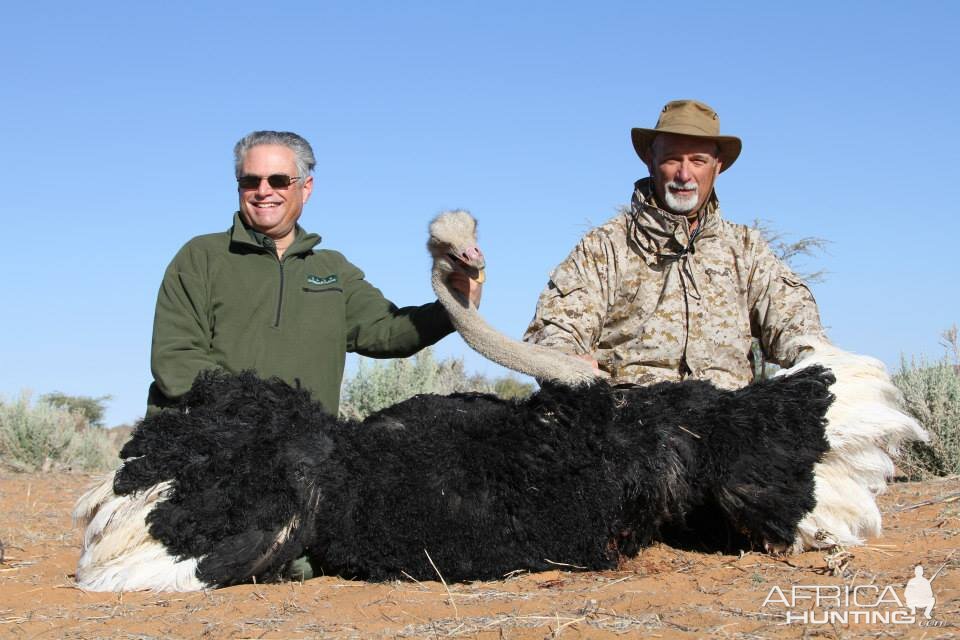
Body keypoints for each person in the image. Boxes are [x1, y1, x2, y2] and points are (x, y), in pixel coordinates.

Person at [147, 130, 481, 417]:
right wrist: (258, 411)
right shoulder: (201, 256)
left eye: (278, 180)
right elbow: (175, 359)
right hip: (207, 445)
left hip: (302, 454)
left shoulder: (331, 269)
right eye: (250, 181)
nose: (263, 191)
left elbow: (388, 332)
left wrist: (453, 307)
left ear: (305, 188)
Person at [524, 100, 826, 388]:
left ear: (717, 166)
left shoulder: (747, 250)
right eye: (672, 159)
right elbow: (555, 333)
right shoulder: (605, 247)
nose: (684, 174)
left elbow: (798, 328)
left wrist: (817, 360)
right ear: (650, 161)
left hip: (731, 424)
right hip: (630, 426)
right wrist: (567, 363)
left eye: (698, 161)